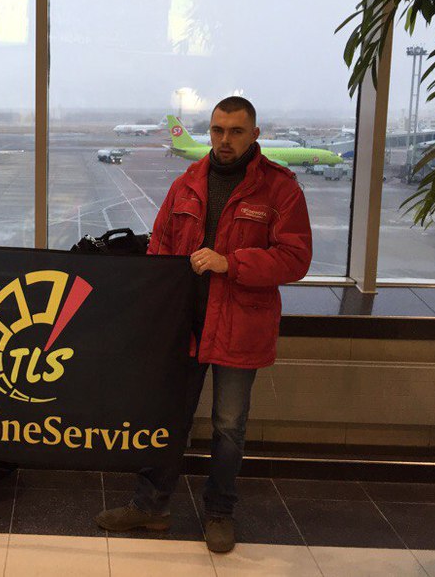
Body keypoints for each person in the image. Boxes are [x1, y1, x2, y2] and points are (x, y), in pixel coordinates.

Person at [96, 96, 312, 553]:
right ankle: (150, 506)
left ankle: (219, 513)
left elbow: (295, 258)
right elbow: (160, 248)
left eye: (236, 131)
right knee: (169, 419)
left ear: (254, 134)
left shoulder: (280, 189)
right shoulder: (187, 183)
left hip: (238, 325)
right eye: (217, 130)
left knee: (229, 427)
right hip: (186, 325)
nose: (225, 140)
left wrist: (231, 262)